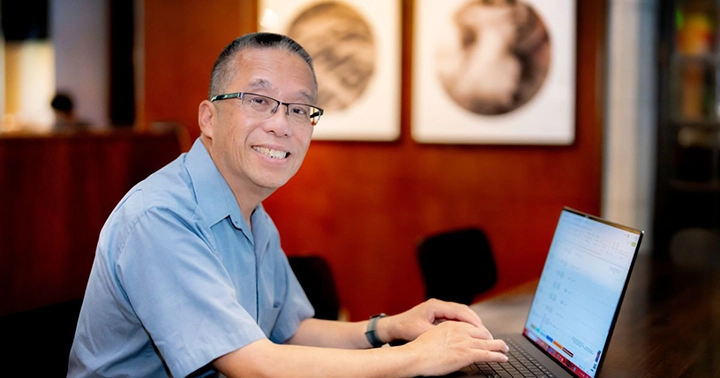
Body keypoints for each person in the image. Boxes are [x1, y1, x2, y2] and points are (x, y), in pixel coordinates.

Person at [67, 32, 508, 377]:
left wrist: (390, 328)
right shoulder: (160, 216)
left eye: (300, 109)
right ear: (208, 118)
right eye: (258, 100)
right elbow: (254, 365)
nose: (281, 124)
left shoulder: (253, 212)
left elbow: (290, 332)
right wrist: (413, 359)